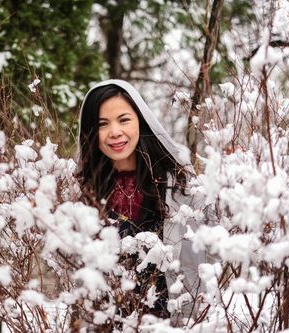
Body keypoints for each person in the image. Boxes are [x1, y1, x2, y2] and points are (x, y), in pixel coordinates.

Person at [76, 79, 207, 324]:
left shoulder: (179, 187)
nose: (115, 132)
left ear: (140, 121)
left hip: (175, 324)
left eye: (124, 120)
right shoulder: (86, 195)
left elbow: (203, 263)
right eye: (103, 124)